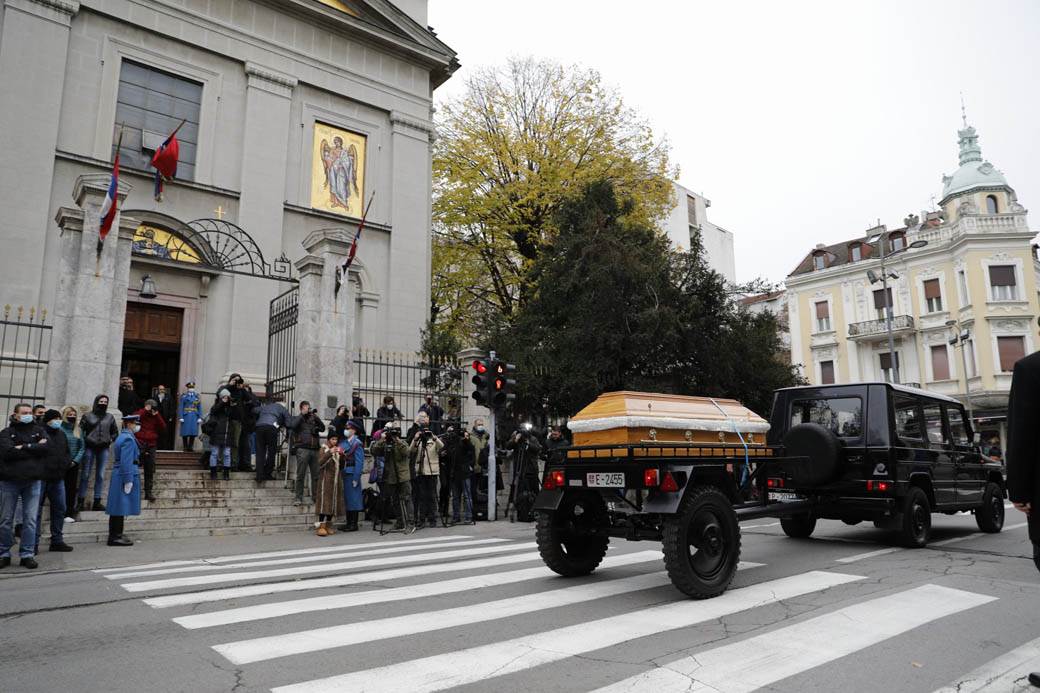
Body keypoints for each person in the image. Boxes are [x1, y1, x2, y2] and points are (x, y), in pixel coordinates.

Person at [0, 403, 49, 568]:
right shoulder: (6, 432)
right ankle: (4, 552)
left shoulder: (39, 430)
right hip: (10, 481)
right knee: (6, 520)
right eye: (24, 412)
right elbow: (7, 452)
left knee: (30, 520)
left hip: (33, 481)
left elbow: (47, 448)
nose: (29, 415)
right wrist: (34, 449)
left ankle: (27, 554)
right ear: (16, 415)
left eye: (30, 412)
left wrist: (24, 447)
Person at [35, 410, 73, 553]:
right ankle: (33, 542)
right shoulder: (39, 432)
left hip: (57, 478)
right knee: (36, 511)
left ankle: (57, 540)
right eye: (55, 418)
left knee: (60, 509)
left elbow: (67, 452)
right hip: (41, 477)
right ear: (48, 420)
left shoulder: (61, 434)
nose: (58, 421)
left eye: (59, 418)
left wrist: (65, 464)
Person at [106, 414, 142, 546]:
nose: (137, 426)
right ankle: (115, 536)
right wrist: (128, 479)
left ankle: (117, 534)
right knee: (119, 507)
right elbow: (126, 461)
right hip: (124, 473)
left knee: (119, 506)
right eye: (135, 423)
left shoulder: (125, 436)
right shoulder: (128, 439)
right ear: (128, 424)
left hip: (120, 473)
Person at [79, 394, 118, 511]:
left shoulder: (110, 417)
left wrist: (110, 439)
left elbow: (115, 432)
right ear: (96, 402)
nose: (103, 403)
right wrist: (85, 440)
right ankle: (80, 500)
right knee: (85, 474)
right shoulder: (87, 416)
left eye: (105, 401)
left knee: (100, 475)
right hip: (89, 447)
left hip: (104, 448)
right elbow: (81, 430)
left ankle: (97, 501)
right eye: (101, 401)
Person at [371, 422, 412, 530]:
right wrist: (382, 440)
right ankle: (400, 522)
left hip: (403, 476)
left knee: (407, 499)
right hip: (391, 476)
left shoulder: (402, 442)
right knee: (395, 500)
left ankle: (410, 522)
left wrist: (397, 440)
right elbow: (374, 451)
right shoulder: (385, 443)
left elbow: (407, 452)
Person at [409, 412, 444, 528]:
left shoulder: (433, 439)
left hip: (432, 471)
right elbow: (411, 451)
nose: (425, 433)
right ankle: (422, 518)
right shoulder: (419, 441)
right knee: (422, 496)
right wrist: (415, 439)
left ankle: (432, 518)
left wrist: (434, 437)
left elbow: (442, 447)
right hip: (421, 471)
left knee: (432, 496)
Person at [288, 400, 325, 505]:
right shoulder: (298, 418)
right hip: (302, 449)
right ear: (301, 408)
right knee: (300, 474)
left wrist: (316, 419)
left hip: (315, 449)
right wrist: (301, 415)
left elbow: (322, 428)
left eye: (309, 408)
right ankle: (298, 498)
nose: (308, 410)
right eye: (306, 408)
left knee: (316, 475)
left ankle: (316, 497)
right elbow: (292, 426)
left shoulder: (313, 418)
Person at [133, 399, 166, 502]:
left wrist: (157, 415)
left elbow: (163, 427)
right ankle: (132, 491)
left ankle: (148, 492)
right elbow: (135, 418)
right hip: (139, 443)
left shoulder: (155, 416)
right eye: (152, 407)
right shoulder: (140, 412)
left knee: (149, 469)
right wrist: (145, 410)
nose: (152, 409)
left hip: (151, 444)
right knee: (134, 468)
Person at [315, 432, 345, 536]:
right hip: (325, 481)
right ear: (328, 440)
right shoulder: (324, 449)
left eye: (336, 440)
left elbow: (341, 467)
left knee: (332, 504)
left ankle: (328, 525)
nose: (334, 442)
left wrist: (343, 455)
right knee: (324, 504)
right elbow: (320, 462)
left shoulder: (336, 450)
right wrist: (329, 453)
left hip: (335, 481)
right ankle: (321, 527)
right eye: (332, 439)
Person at [254, 395, 289, 484]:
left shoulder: (265, 407)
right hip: (271, 428)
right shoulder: (281, 407)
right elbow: (288, 419)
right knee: (271, 451)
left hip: (260, 427)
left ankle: (259, 476)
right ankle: (267, 473)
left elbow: (254, 410)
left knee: (260, 452)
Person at [60, 406, 83, 522]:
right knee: (60, 488)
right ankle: (59, 512)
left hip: (73, 465)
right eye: (69, 415)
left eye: (74, 415)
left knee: (71, 489)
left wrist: (75, 461)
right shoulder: (59, 429)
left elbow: (82, 447)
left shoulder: (78, 430)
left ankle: (69, 513)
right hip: (61, 464)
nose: (72, 417)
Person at [340, 420, 364, 531]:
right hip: (345, 472)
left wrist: (356, 477)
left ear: (353, 430)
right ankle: (349, 522)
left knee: (354, 499)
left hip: (352, 473)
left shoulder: (357, 443)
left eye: (348, 428)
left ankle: (354, 524)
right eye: (346, 428)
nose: (346, 430)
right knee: (348, 499)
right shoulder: (344, 442)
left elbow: (359, 462)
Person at [205, 389, 234, 480]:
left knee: (227, 454)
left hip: (227, 434)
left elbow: (236, 415)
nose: (226, 399)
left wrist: (233, 405)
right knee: (214, 453)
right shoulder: (216, 406)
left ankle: (226, 473)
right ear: (221, 397)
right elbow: (214, 411)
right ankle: (213, 473)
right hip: (216, 433)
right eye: (224, 397)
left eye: (227, 397)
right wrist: (222, 402)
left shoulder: (230, 407)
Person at [451, 428, 476, 525]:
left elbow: (473, 459)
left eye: (466, 436)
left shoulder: (469, 445)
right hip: (455, 474)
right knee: (455, 497)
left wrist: (466, 441)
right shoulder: (456, 445)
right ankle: (456, 516)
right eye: (463, 436)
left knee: (467, 496)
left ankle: (468, 516)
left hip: (465, 474)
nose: (464, 438)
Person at [177, 381, 202, 451]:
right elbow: (181, 407)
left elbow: (199, 407)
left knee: (193, 432)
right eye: (190, 387)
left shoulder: (197, 396)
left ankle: (190, 447)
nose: (191, 389)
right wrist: (181, 417)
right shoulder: (184, 396)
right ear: (187, 388)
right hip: (186, 415)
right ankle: (185, 447)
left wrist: (200, 417)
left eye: (192, 387)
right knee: (185, 432)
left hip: (194, 415)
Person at [152, 384, 176, 450]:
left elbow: (172, 407)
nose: (161, 391)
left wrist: (171, 416)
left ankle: (165, 447)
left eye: (163, 389)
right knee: (157, 432)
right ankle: (157, 446)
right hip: (157, 418)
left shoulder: (169, 397)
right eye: (160, 389)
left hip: (166, 418)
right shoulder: (155, 397)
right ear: (158, 390)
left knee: (165, 433)